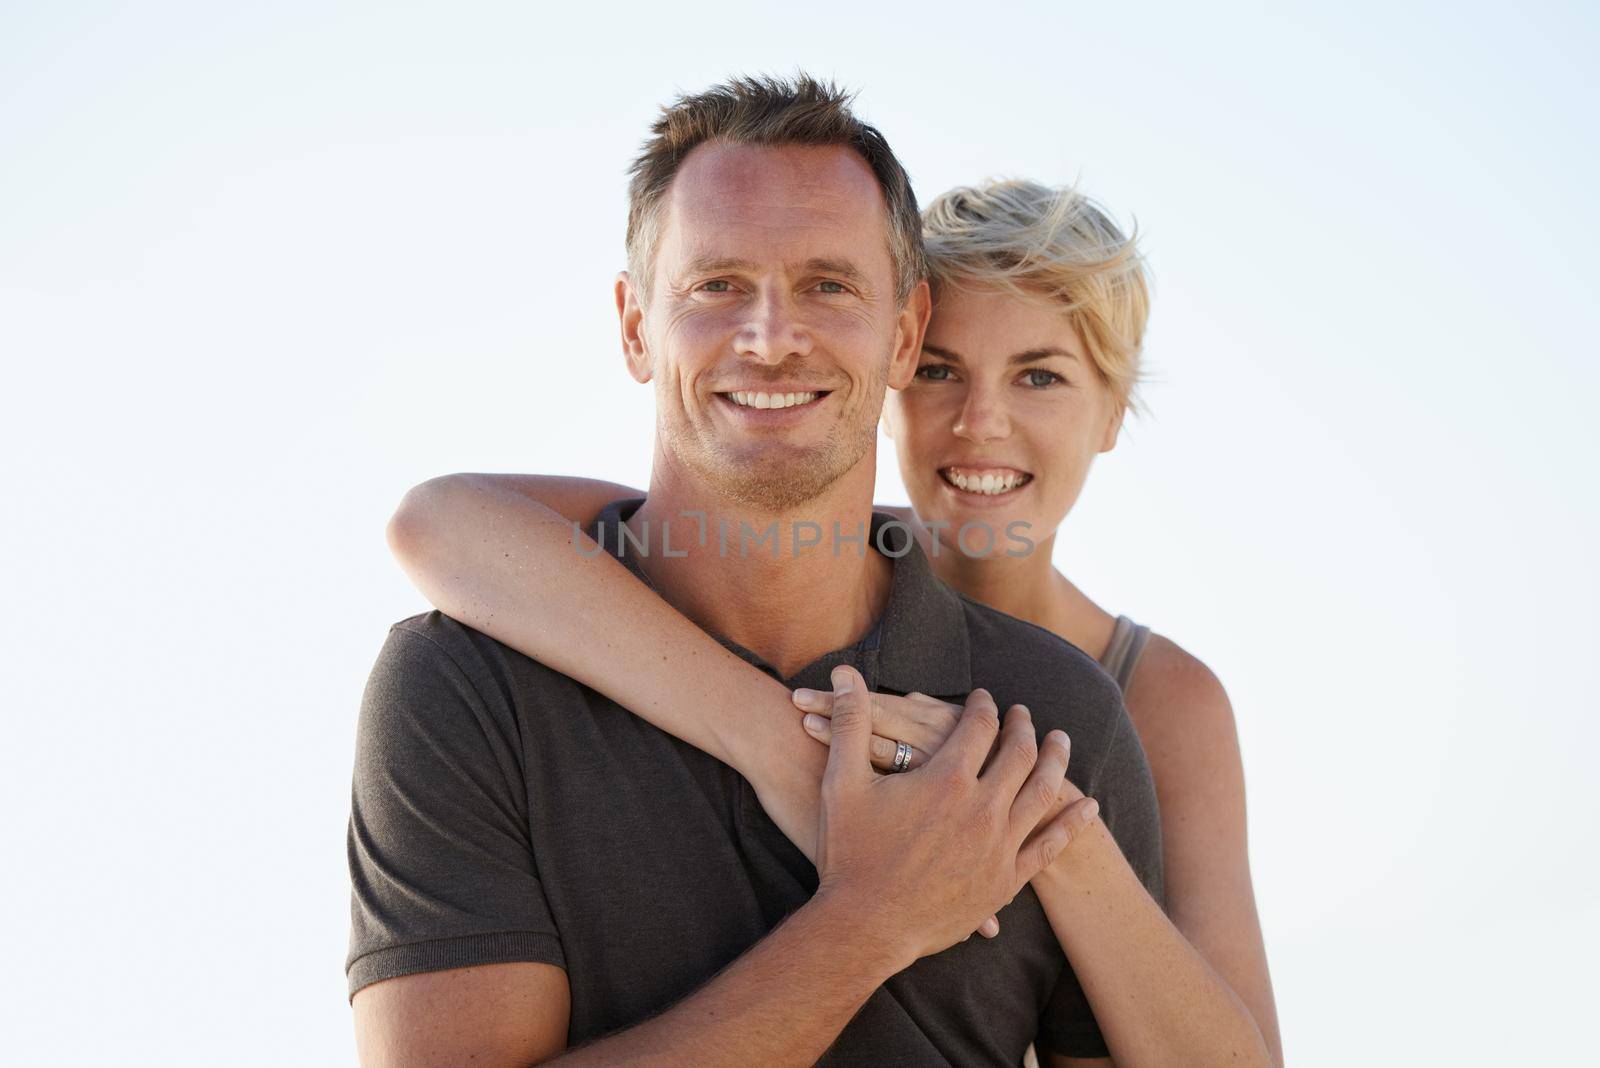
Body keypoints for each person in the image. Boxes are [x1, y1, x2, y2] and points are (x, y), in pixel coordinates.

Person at [378, 160, 1283, 1064]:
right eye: (938, 372)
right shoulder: (784, 555)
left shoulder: (1144, 698)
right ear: (892, 363)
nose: (980, 421)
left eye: (1040, 378)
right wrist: (781, 745)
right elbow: (442, 523)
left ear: (1113, 409)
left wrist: (1039, 820)